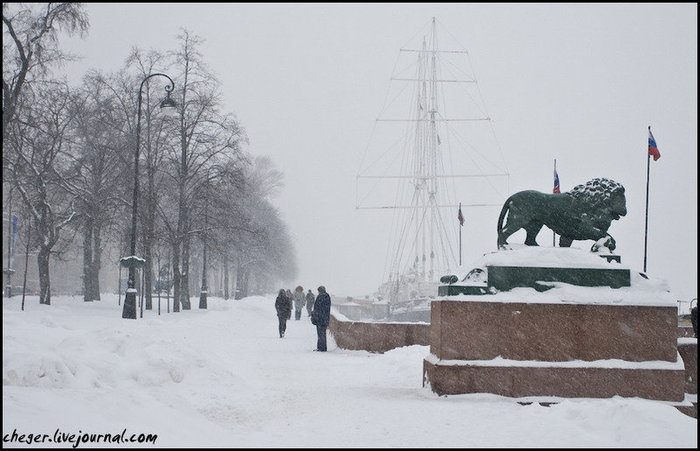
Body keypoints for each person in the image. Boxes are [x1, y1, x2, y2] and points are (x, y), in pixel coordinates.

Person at [311, 285, 331, 351]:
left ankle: (321, 348)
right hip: (324, 318)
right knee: (322, 333)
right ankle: (322, 347)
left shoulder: (321, 297)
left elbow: (318, 308)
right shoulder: (327, 296)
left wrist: (315, 314)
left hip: (320, 318)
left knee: (320, 334)